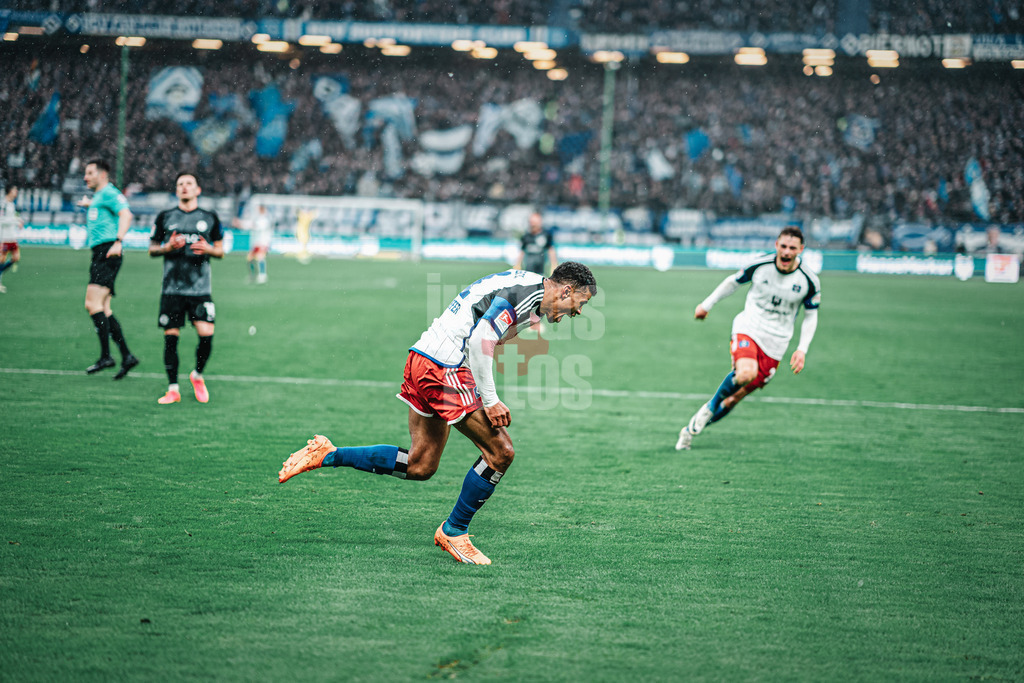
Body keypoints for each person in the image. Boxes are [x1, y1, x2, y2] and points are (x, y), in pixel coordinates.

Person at [279, 262, 598, 565]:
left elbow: (483, 333)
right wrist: (489, 399)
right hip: (442, 367)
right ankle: (454, 531)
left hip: (423, 358)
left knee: (421, 464)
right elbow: (480, 340)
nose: (579, 311)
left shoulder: (529, 292)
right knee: (500, 452)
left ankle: (327, 454)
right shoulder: (526, 295)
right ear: (566, 291)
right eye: (580, 302)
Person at [675, 226, 821, 450]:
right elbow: (732, 282)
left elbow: (811, 316)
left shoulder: (808, 281)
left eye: (792, 248)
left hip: (776, 344)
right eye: (783, 246)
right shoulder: (760, 265)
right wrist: (706, 305)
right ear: (776, 246)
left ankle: (689, 431)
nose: (787, 251)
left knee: (734, 398)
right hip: (749, 328)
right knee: (745, 373)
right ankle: (709, 408)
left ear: (801, 249)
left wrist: (802, 348)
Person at [149, 172, 224, 404]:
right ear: (176, 190)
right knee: (171, 337)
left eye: (189, 184)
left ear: (197, 190)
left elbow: (220, 250)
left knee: (206, 335)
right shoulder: (166, 216)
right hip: (172, 288)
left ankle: (197, 375)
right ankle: (173, 389)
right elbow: (152, 249)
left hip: (199, 288)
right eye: (180, 184)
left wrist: (208, 248)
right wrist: (168, 246)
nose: (184, 187)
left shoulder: (209, 217)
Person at [79, 159, 139, 379]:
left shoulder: (109, 193)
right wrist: (90, 205)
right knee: (104, 308)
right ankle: (127, 356)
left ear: (102, 174)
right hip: (102, 252)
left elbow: (126, 214)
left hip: (108, 251)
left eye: (90, 173)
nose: (85, 177)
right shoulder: (100, 197)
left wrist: (118, 241)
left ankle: (106, 356)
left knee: (91, 303)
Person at [234, 204, 272, 284]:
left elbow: (255, 226)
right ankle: (253, 275)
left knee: (260, 257)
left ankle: (262, 275)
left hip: (263, 242)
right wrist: (240, 224)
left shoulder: (265, 219)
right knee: (250, 258)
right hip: (256, 243)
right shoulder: (258, 218)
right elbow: (251, 225)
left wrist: (241, 224)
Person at [515, 211, 557, 276]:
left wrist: (553, 265)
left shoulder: (545, 235)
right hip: (528, 271)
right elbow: (522, 251)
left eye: (534, 223)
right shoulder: (526, 236)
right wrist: (518, 264)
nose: (532, 225)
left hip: (541, 271)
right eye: (531, 223)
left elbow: (551, 250)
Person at [0, 185, 23, 293]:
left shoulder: (12, 204)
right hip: (4, 237)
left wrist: (19, 220)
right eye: (15, 190)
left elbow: (13, 217)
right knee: (2, 260)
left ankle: (0, 273)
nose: (16, 191)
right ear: (9, 191)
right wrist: (15, 221)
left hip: (12, 237)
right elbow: (2, 220)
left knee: (16, 257)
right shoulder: (3, 204)